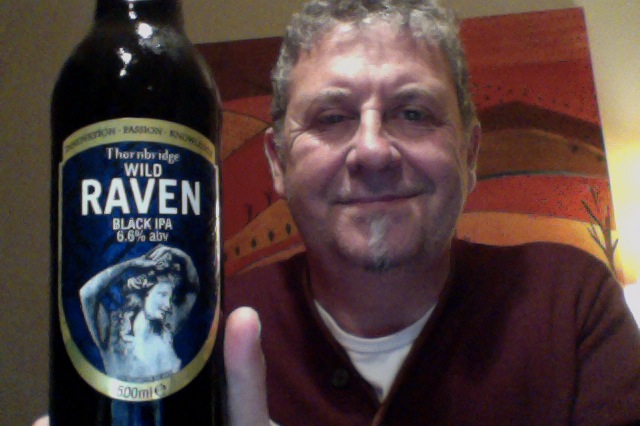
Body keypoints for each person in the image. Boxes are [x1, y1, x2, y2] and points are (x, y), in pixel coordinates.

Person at [37, 1, 640, 425]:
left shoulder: (571, 303)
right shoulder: (205, 328)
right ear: (277, 163)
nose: (372, 151)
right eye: (330, 118)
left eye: (413, 112)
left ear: (471, 153)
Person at [79, 244, 199, 381]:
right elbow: (87, 294)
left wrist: (176, 253)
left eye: (171, 299)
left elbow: (193, 287)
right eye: (162, 294)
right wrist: (130, 264)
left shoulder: (168, 328)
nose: (168, 305)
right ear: (144, 293)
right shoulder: (111, 335)